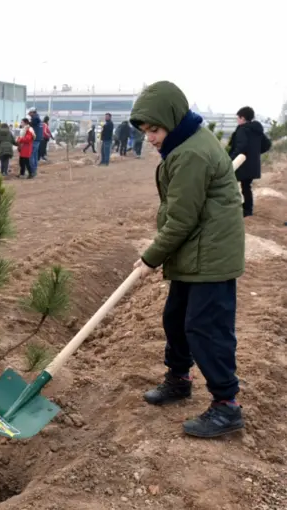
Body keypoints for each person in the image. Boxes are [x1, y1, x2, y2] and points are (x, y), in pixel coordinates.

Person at [131, 80, 245, 438]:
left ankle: (227, 406)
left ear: (174, 120)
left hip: (209, 254)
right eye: (145, 130)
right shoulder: (187, 142)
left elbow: (182, 218)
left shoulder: (190, 154)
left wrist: (150, 258)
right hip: (193, 250)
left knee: (206, 327)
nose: (149, 137)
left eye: (155, 129)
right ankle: (179, 379)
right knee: (176, 318)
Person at [228, 106, 272, 217]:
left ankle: (239, 209)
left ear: (242, 118)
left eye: (238, 118)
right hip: (252, 164)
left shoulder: (242, 129)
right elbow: (267, 145)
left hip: (241, 163)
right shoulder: (257, 130)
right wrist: (255, 154)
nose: (237, 120)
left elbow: (240, 147)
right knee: (246, 186)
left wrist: (230, 159)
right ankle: (247, 210)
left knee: (231, 184)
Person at [28, 108, 43, 173]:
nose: (29, 115)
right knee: (35, 154)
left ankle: (32, 170)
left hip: (35, 139)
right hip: (38, 139)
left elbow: (31, 124)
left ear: (33, 112)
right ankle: (34, 169)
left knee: (31, 154)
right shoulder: (38, 119)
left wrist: (28, 123)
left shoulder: (35, 119)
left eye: (30, 113)